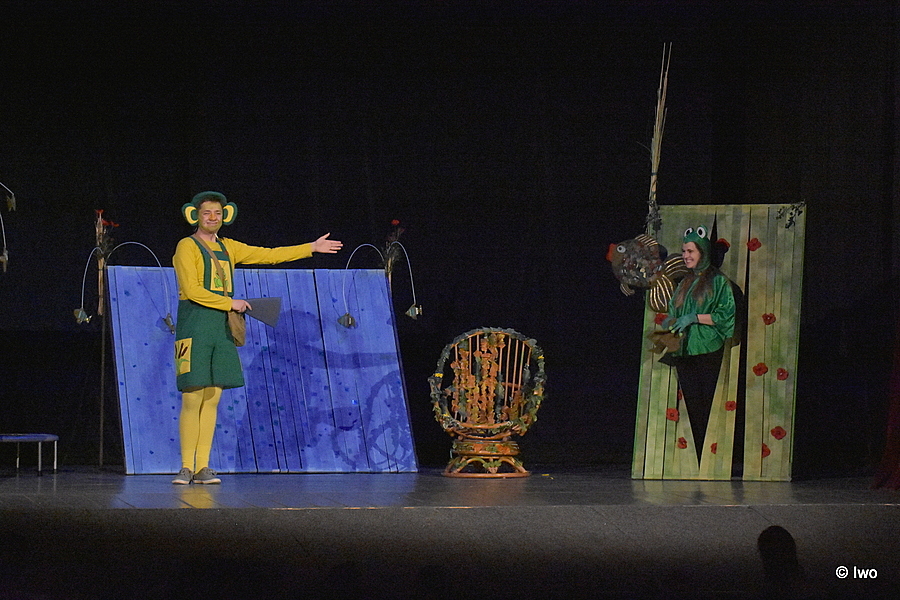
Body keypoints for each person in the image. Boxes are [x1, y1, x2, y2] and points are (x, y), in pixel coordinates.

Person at [171, 191, 342, 484]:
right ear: (194, 216)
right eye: (206, 213)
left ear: (225, 216)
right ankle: (186, 465)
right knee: (193, 396)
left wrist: (310, 248)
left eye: (217, 213)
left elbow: (269, 254)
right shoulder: (187, 246)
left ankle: (203, 467)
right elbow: (192, 289)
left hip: (222, 328)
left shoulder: (229, 247)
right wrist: (231, 303)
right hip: (195, 326)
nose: (212, 218)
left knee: (212, 398)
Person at [663, 225, 736, 462]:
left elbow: (725, 316)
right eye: (684, 251)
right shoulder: (685, 282)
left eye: (690, 251)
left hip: (707, 349)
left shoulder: (718, 281)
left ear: (702, 252)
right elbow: (673, 310)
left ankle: (712, 459)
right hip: (685, 350)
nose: (685, 256)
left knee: (708, 405)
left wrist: (694, 317)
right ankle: (699, 459)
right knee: (693, 407)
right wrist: (671, 321)